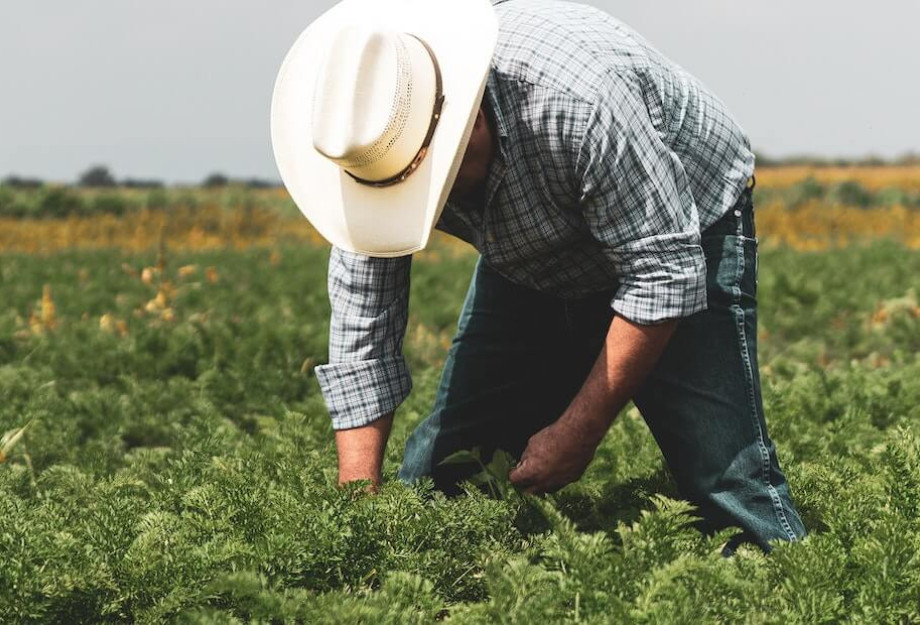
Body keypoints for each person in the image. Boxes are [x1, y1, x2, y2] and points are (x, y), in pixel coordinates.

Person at [272, 0, 807, 552]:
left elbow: (661, 275)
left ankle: (783, 574)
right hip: (530, 251)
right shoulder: (369, 145)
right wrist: (357, 518)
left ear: (468, 113)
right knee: (442, 479)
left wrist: (580, 430)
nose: (440, 195)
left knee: (722, 476)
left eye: (438, 175)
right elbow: (364, 332)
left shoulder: (580, 102)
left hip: (684, 223)